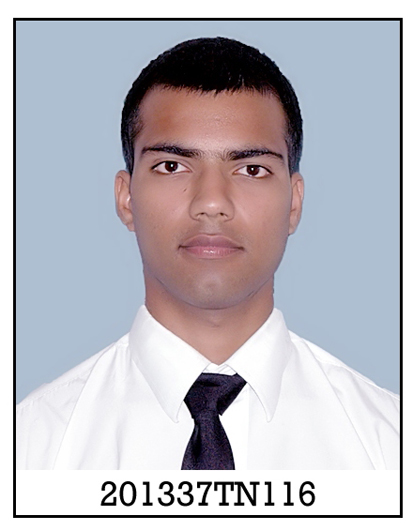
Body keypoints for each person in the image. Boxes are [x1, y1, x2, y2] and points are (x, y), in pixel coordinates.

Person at [16, 37, 399, 470]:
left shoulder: (388, 445)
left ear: (294, 204)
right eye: (172, 166)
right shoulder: (30, 448)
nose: (212, 202)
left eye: (251, 169)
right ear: (126, 199)